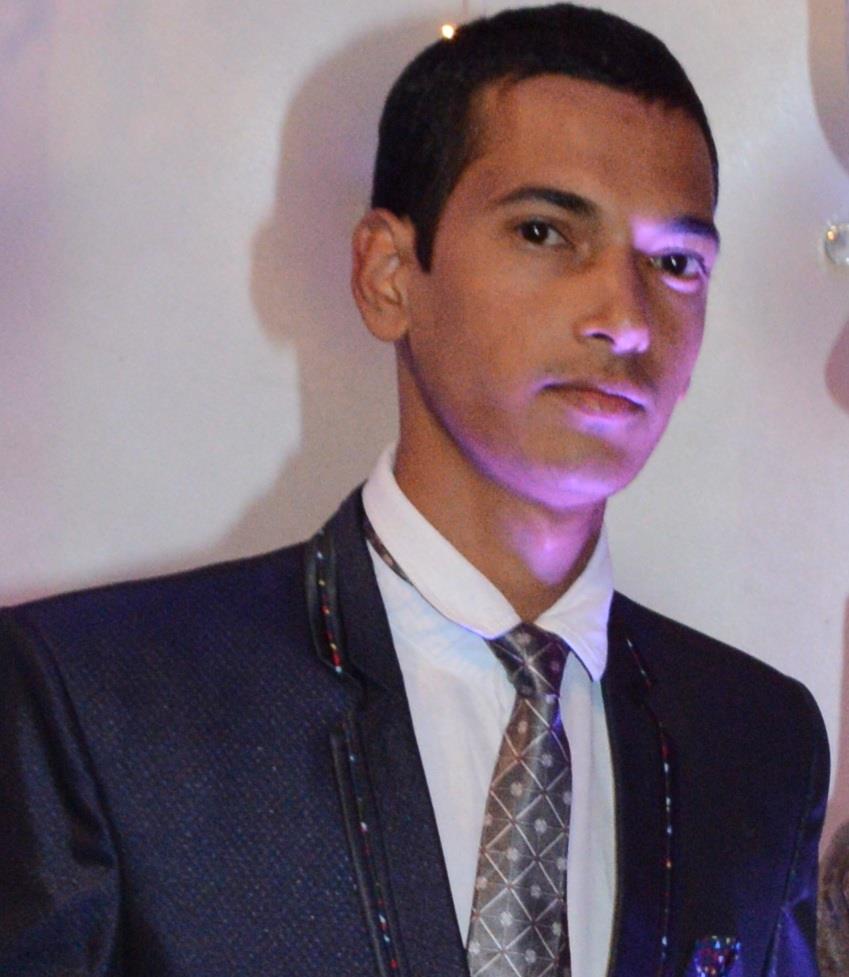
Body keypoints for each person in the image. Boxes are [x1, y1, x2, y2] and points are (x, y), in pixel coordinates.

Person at [0, 5, 829, 977]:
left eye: (675, 263)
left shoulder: (755, 738)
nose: (625, 316)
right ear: (389, 274)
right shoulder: (101, 705)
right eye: (544, 231)